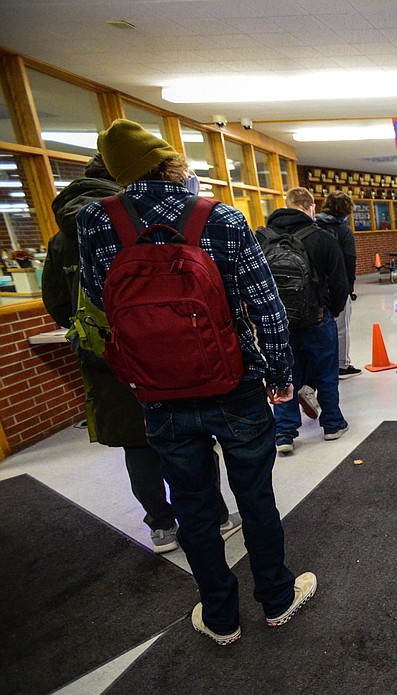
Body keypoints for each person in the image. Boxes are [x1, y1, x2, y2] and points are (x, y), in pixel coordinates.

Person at [77, 118, 315, 645]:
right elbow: (268, 308)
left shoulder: (97, 220)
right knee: (254, 494)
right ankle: (276, 598)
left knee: (191, 502)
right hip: (234, 383)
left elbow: (100, 299)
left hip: (157, 391)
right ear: (172, 164)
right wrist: (279, 377)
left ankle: (220, 615)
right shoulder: (219, 217)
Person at [43, 154, 239, 552]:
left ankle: (161, 525)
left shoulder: (65, 235)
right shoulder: (132, 223)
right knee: (188, 433)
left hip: (108, 354)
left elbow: (57, 303)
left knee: (136, 440)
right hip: (172, 348)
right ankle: (214, 517)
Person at [263, 187, 350, 455]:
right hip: (317, 318)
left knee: (284, 372)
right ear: (311, 206)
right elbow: (339, 281)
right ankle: (332, 424)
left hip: (279, 322)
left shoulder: (262, 238)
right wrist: (333, 310)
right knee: (326, 372)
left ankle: (284, 433)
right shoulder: (322, 237)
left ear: (286, 204)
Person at [315, 191, 361, 380]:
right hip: (337, 285)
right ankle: (342, 365)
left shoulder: (313, 226)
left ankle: (322, 365)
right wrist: (349, 288)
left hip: (315, 287)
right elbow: (350, 261)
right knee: (341, 327)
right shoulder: (343, 230)